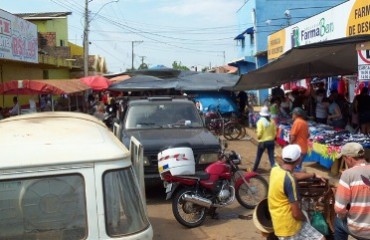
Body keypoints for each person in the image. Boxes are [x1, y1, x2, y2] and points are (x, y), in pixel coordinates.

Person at [268, 144, 325, 240]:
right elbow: (296, 213)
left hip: (279, 220)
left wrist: (313, 174)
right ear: (298, 160)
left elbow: (293, 174)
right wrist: (306, 219)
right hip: (289, 225)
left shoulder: (275, 169)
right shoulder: (290, 180)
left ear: (282, 157)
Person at [334, 142, 370, 240]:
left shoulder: (348, 174)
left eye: (344, 159)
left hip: (361, 230)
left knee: (338, 221)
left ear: (349, 158)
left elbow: (339, 209)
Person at [252, 106, 276, 172]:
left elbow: (259, 132)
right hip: (271, 141)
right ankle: (274, 169)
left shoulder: (260, 121)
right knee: (271, 157)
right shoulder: (272, 121)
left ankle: (254, 170)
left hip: (263, 142)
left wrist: (259, 137)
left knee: (258, 157)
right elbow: (274, 131)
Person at [289, 107, 309, 171]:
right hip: (304, 148)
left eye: (293, 114)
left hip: (298, 149)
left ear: (296, 114)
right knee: (298, 166)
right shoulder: (304, 122)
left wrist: (289, 145)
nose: (292, 116)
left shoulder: (297, 122)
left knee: (296, 168)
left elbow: (293, 136)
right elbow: (308, 135)